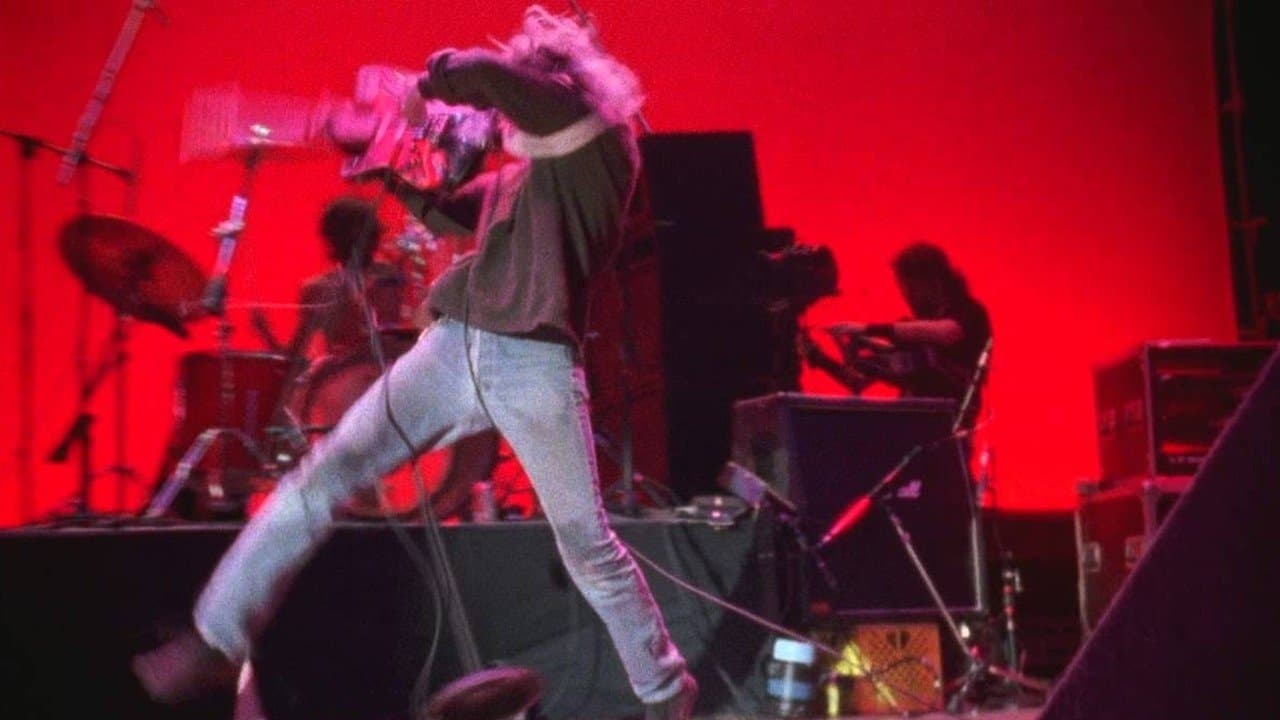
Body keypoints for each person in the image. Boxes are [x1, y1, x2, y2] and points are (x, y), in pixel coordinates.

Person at [133, 7, 697, 719]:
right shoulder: (526, 177)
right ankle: (217, 639)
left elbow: (487, 75)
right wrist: (382, 159)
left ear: (562, 86)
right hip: (452, 347)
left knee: (586, 542)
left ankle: (666, 688)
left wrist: (419, 88)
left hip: (533, 364)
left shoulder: (599, 144)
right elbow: (447, 212)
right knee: (321, 478)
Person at [802, 241, 992, 425]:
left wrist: (868, 329)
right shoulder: (914, 330)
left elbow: (946, 333)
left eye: (911, 288)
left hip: (950, 426)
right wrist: (821, 358)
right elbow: (858, 381)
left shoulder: (969, 311)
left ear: (933, 281)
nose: (907, 296)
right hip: (912, 427)